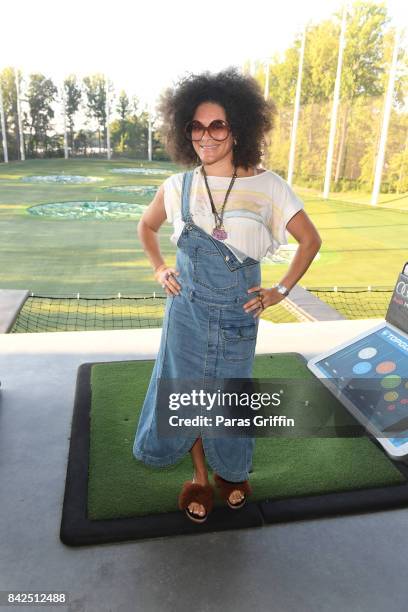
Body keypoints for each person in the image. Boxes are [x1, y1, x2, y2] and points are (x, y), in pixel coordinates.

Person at [133, 67, 322, 523]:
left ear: (238, 127)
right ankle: (200, 477)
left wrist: (280, 290)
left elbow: (310, 240)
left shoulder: (269, 187)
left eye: (217, 125)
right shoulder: (177, 186)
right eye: (196, 126)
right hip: (187, 312)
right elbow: (146, 226)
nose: (206, 136)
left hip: (239, 314)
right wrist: (160, 268)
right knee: (187, 394)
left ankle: (231, 475)